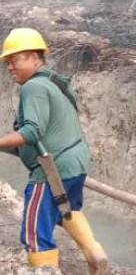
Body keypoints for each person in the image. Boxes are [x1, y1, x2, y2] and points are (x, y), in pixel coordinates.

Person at [0, 28, 108, 272]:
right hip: (75, 163)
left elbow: (32, 133)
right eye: (7, 62)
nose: (10, 67)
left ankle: (45, 269)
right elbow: (35, 142)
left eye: (15, 59)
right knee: (66, 211)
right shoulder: (53, 83)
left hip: (51, 169)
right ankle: (94, 253)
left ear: (35, 58)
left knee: (35, 231)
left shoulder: (33, 88)